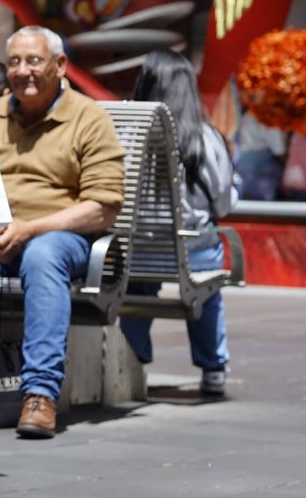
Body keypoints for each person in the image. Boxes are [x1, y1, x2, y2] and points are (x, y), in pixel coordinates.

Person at [0, 25, 126, 440]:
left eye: (35, 60)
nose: (23, 71)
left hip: (61, 238)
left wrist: (29, 230)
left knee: (42, 256)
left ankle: (40, 395)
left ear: (61, 66)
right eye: (14, 61)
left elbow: (103, 206)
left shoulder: (89, 118)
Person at [119, 49, 238, 396]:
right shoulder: (206, 139)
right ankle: (212, 365)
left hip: (136, 254)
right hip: (193, 254)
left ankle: (134, 354)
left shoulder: (125, 134)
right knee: (206, 290)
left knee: (138, 286)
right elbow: (224, 205)